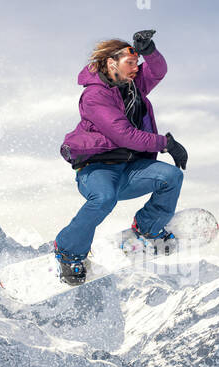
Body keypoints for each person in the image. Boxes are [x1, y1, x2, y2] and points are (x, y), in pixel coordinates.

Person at [54, 29, 190, 285]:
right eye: (131, 63)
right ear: (110, 62)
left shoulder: (132, 86)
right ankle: (68, 251)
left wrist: (149, 50)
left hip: (130, 168)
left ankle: (149, 230)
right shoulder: (95, 96)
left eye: (137, 64)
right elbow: (124, 135)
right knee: (104, 198)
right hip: (97, 169)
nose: (136, 69)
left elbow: (158, 71)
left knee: (171, 176)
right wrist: (166, 144)